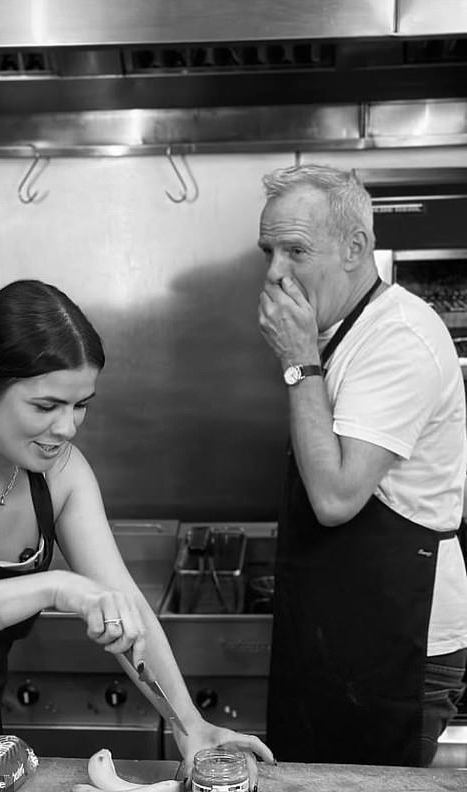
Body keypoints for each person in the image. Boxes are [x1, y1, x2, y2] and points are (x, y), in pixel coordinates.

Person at [0, 279, 273, 782]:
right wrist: (54, 585)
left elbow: (123, 600)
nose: (67, 428)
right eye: (46, 406)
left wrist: (188, 722)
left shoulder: (61, 473)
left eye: (81, 404)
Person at [257, 164, 467, 767]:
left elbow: (337, 497)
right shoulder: (342, 331)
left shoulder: (398, 337)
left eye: (295, 249)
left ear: (356, 248)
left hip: (398, 645)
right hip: (344, 634)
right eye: (268, 250)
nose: (274, 272)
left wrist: (297, 360)